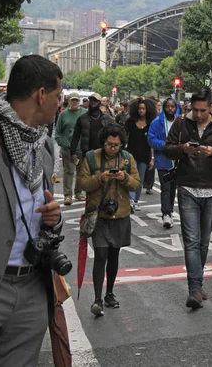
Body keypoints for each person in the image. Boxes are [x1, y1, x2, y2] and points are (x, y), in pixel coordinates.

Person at [0, 55, 64, 366]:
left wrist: (54, 218)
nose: (59, 104)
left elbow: (45, 214)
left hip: (31, 288)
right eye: (58, 96)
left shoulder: (44, 147)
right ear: (41, 95)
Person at [163, 87, 212, 308]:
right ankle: (194, 289)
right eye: (194, 110)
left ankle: (198, 284)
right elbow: (167, 149)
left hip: (211, 188)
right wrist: (183, 149)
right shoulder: (181, 124)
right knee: (192, 241)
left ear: (210, 108)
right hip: (186, 187)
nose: (198, 114)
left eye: (203, 110)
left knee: (204, 242)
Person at [79, 123, 141, 316]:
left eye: (116, 145)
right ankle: (97, 299)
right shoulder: (91, 157)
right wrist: (99, 178)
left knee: (114, 256)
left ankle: (110, 293)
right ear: (103, 142)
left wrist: (124, 178)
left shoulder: (127, 159)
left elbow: (136, 184)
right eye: (109, 144)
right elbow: (81, 183)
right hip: (99, 215)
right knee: (101, 256)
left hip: (120, 214)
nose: (112, 148)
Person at [148, 97, 180, 229]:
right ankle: (166, 213)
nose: (170, 109)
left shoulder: (180, 122)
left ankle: (170, 211)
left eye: (173, 106)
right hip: (163, 160)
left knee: (173, 189)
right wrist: (165, 145)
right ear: (163, 108)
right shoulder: (157, 123)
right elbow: (151, 139)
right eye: (168, 106)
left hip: (178, 161)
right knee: (166, 188)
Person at [55, 91, 87, 205]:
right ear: (68, 101)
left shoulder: (85, 113)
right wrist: (62, 143)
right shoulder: (63, 115)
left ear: (79, 102)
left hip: (81, 148)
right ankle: (67, 195)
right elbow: (57, 132)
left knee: (81, 172)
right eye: (72, 100)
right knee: (68, 172)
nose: (74, 102)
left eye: (76, 100)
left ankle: (78, 193)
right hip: (68, 148)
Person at [124, 97, 156, 212]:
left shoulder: (151, 123)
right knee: (131, 177)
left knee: (140, 179)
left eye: (143, 109)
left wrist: (152, 158)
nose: (141, 111)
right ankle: (131, 200)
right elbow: (124, 136)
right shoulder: (130, 122)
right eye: (139, 109)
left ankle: (135, 201)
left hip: (144, 155)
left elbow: (152, 142)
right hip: (131, 154)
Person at [70, 93, 114, 172]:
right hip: (87, 153)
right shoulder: (82, 118)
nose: (93, 102)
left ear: (100, 103)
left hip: (103, 153)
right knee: (87, 177)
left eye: (95, 101)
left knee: (102, 176)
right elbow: (76, 136)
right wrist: (73, 152)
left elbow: (112, 134)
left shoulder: (106, 118)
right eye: (91, 100)